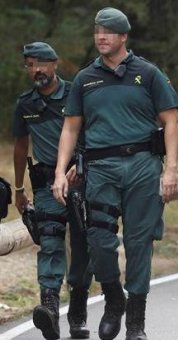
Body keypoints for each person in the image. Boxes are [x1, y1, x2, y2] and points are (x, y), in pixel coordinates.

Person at [52, 7, 178, 340]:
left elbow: (171, 121)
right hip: (100, 169)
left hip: (141, 165)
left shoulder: (148, 73)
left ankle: (136, 323)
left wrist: (170, 170)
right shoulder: (85, 78)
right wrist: (58, 172)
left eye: (108, 32)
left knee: (140, 244)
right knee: (99, 241)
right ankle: (113, 298)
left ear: (123, 36)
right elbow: (69, 129)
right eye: (97, 32)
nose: (101, 37)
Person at [12, 42, 93, 340]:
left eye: (40, 64)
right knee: (49, 240)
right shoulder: (25, 104)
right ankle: (49, 308)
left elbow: (92, 131)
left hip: (81, 181)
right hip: (46, 185)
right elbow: (20, 147)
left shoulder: (76, 94)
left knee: (84, 246)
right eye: (30, 65)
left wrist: (82, 164)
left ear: (54, 63)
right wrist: (20, 189)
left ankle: (78, 312)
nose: (36, 70)